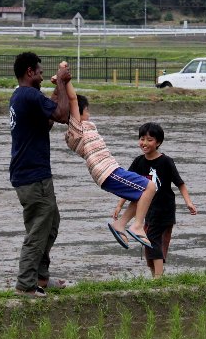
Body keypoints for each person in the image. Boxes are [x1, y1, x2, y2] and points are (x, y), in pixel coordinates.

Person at [55, 64, 155, 249]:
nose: (89, 113)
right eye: (87, 110)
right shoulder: (76, 130)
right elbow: (72, 99)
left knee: (139, 195)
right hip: (107, 171)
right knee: (149, 187)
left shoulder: (77, 131)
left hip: (108, 172)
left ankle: (120, 224)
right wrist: (65, 78)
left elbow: (67, 101)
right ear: (79, 113)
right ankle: (138, 226)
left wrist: (59, 84)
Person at [9, 52, 71, 298]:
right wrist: (64, 84)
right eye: (40, 71)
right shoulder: (29, 95)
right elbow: (62, 115)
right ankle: (26, 285)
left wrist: (57, 91)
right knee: (38, 229)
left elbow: (47, 120)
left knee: (51, 223)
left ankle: (41, 278)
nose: (44, 75)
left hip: (32, 173)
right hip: (33, 176)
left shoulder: (21, 96)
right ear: (29, 72)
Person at [113, 122, 197, 278]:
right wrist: (119, 206)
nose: (144, 143)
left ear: (158, 142)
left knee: (153, 240)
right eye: (142, 139)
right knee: (147, 243)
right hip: (147, 211)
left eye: (150, 139)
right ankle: (155, 276)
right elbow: (128, 186)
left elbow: (180, 183)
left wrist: (188, 202)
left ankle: (158, 278)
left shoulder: (166, 162)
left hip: (164, 209)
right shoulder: (138, 162)